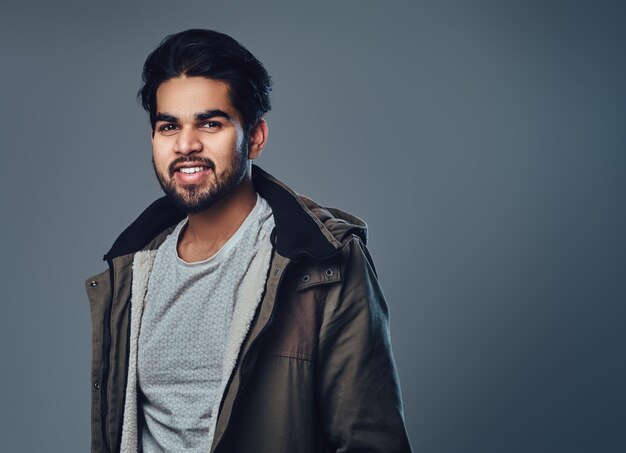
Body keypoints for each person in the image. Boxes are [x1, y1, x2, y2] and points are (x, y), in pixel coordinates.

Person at [85, 29, 412, 453]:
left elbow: (372, 442)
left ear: (255, 137)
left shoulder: (323, 262)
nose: (186, 144)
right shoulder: (133, 269)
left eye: (210, 123)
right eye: (169, 126)